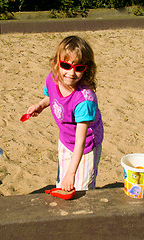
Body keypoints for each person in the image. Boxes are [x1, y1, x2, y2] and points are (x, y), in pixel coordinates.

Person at [27, 36, 104, 192]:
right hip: (66, 138)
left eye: (78, 68)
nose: (71, 72)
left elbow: (81, 142)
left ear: (86, 68)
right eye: (65, 65)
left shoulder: (84, 101)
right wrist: (41, 105)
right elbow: (50, 96)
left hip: (86, 146)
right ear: (57, 63)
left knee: (81, 188)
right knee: (63, 182)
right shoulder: (53, 79)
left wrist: (72, 173)